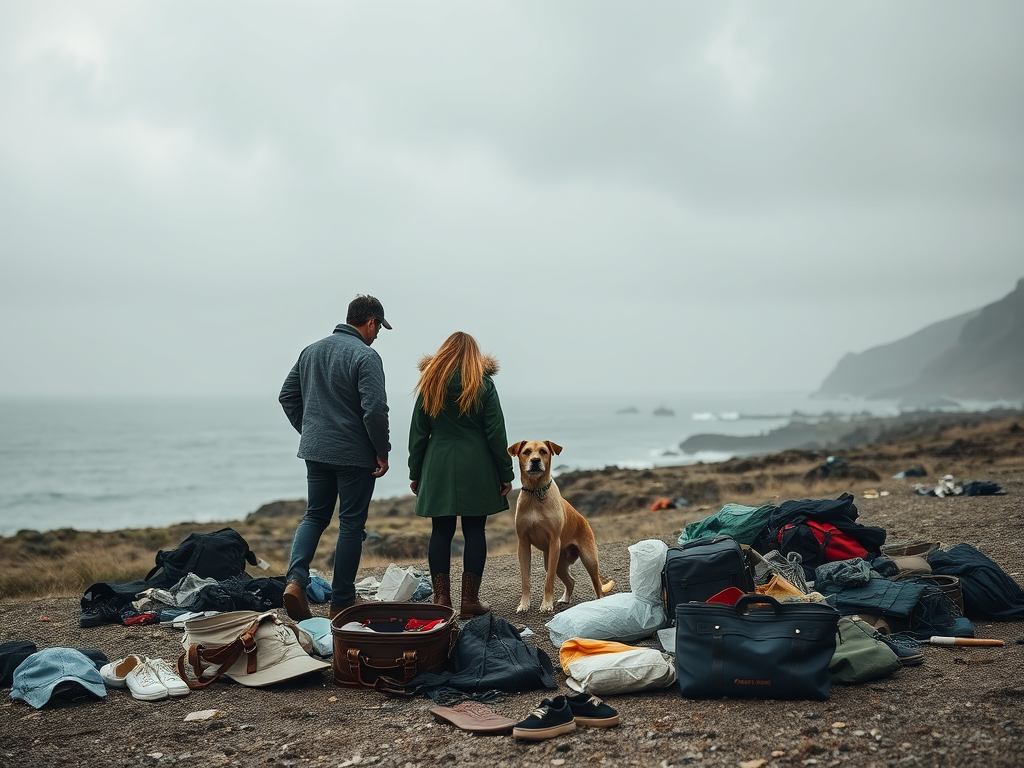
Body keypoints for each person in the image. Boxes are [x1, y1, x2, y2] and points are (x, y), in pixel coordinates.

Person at [279, 295, 392, 621]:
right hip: (354, 456)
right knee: (351, 524)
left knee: (314, 515)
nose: (376, 335)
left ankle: (296, 581)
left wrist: (310, 431)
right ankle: (342, 601)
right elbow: (375, 410)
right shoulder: (366, 356)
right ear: (370, 322)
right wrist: (381, 451)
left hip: (316, 452)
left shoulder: (311, 350)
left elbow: (287, 396)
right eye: (378, 329)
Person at [408, 332, 514, 619]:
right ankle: (469, 602)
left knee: (440, 531)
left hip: (437, 464)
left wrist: (415, 472)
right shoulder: (483, 384)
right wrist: (506, 472)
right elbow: (495, 433)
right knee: (475, 531)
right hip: (476, 465)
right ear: (473, 355)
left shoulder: (430, 382)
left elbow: (418, 433)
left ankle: (442, 600)